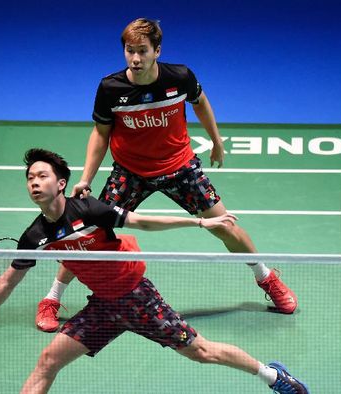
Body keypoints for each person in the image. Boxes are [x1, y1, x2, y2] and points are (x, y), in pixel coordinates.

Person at [0, 148, 309, 394]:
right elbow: (8, 280)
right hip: (103, 307)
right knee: (48, 360)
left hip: (138, 299)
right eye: (30, 178)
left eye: (42, 176)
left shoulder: (88, 210)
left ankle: (275, 377)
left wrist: (198, 223)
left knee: (202, 352)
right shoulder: (36, 235)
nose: (34, 183)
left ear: (61, 183)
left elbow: (141, 222)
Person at [35, 18, 297, 333]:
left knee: (225, 225)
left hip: (179, 167)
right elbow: (101, 133)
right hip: (130, 171)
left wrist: (216, 141)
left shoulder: (180, 77)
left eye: (142, 51)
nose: (135, 58)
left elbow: (201, 103)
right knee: (89, 234)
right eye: (130, 51)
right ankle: (51, 299)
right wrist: (86, 179)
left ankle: (266, 277)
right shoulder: (110, 88)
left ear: (157, 51)